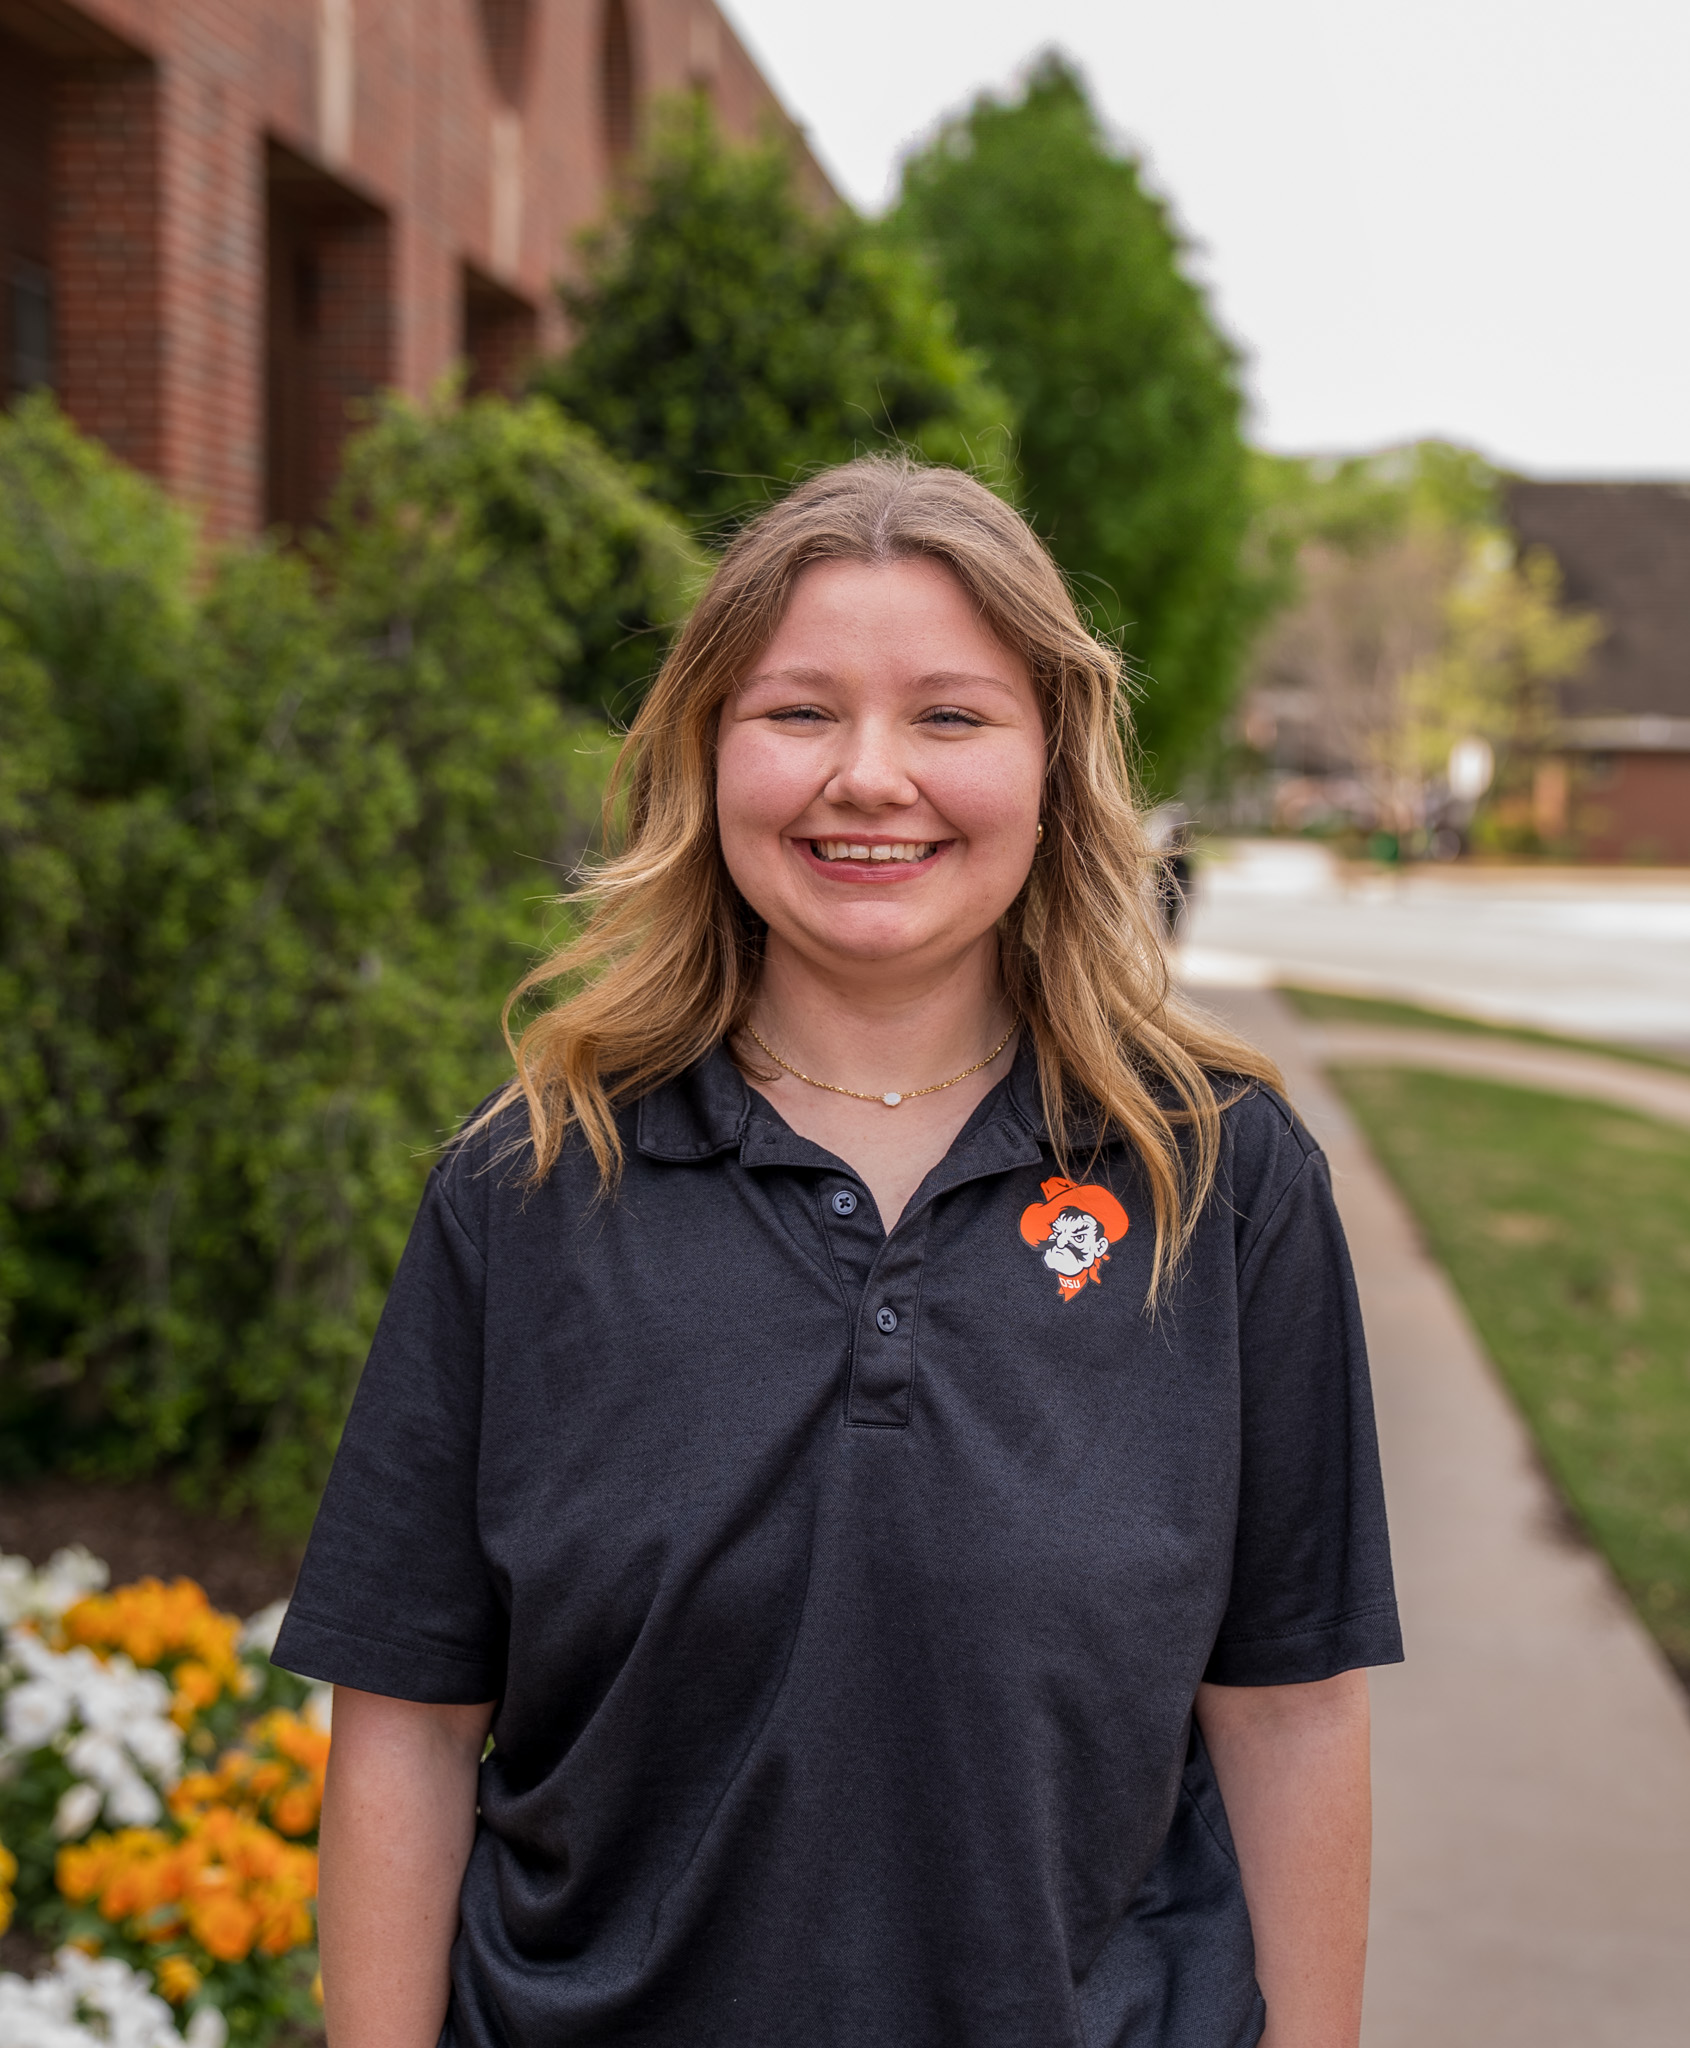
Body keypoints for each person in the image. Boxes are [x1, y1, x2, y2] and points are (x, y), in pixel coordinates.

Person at [274, 456, 1401, 2048]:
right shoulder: (530, 1184)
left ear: (1053, 766)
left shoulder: (1220, 1179)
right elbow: (404, 1720)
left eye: (948, 716)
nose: (869, 777)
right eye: (798, 712)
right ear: (706, 755)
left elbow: (1288, 1704)